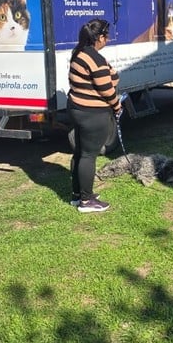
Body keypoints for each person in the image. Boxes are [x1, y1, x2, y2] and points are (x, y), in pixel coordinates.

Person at [67, 19, 121, 213]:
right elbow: (109, 87)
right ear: (99, 37)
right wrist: (117, 106)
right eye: (106, 36)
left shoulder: (79, 53)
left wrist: (111, 75)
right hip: (93, 113)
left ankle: (77, 194)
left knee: (80, 152)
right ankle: (87, 201)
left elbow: (112, 76)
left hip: (76, 109)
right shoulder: (96, 59)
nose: (107, 39)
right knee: (89, 156)